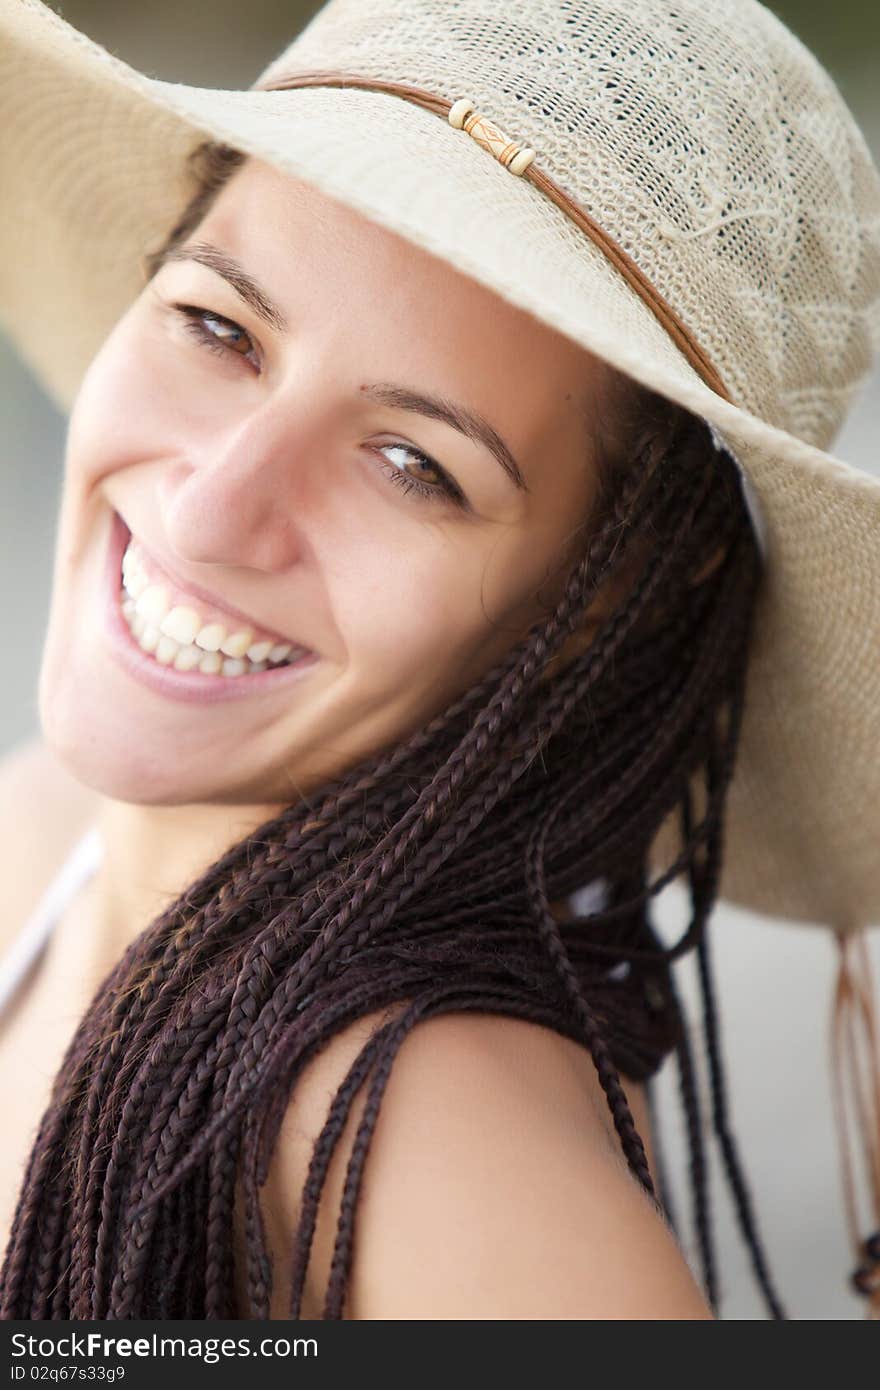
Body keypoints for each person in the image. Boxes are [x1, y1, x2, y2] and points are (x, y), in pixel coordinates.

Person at [0, 0, 878, 1321]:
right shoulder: (40, 837)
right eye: (220, 326)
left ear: (607, 604)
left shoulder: (462, 1183)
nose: (210, 507)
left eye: (418, 466)